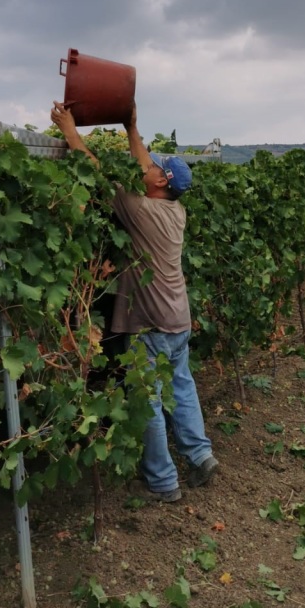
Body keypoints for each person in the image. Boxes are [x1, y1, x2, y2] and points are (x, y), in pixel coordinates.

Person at [50, 100, 218, 502]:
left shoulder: (140, 210)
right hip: (178, 318)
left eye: (155, 168)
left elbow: (96, 171)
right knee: (183, 387)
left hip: (151, 323)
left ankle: (162, 482)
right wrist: (131, 126)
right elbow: (144, 164)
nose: (147, 167)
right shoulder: (174, 209)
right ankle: (200, 454)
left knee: (149, 400)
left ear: (161, 183)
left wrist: (70, 130)